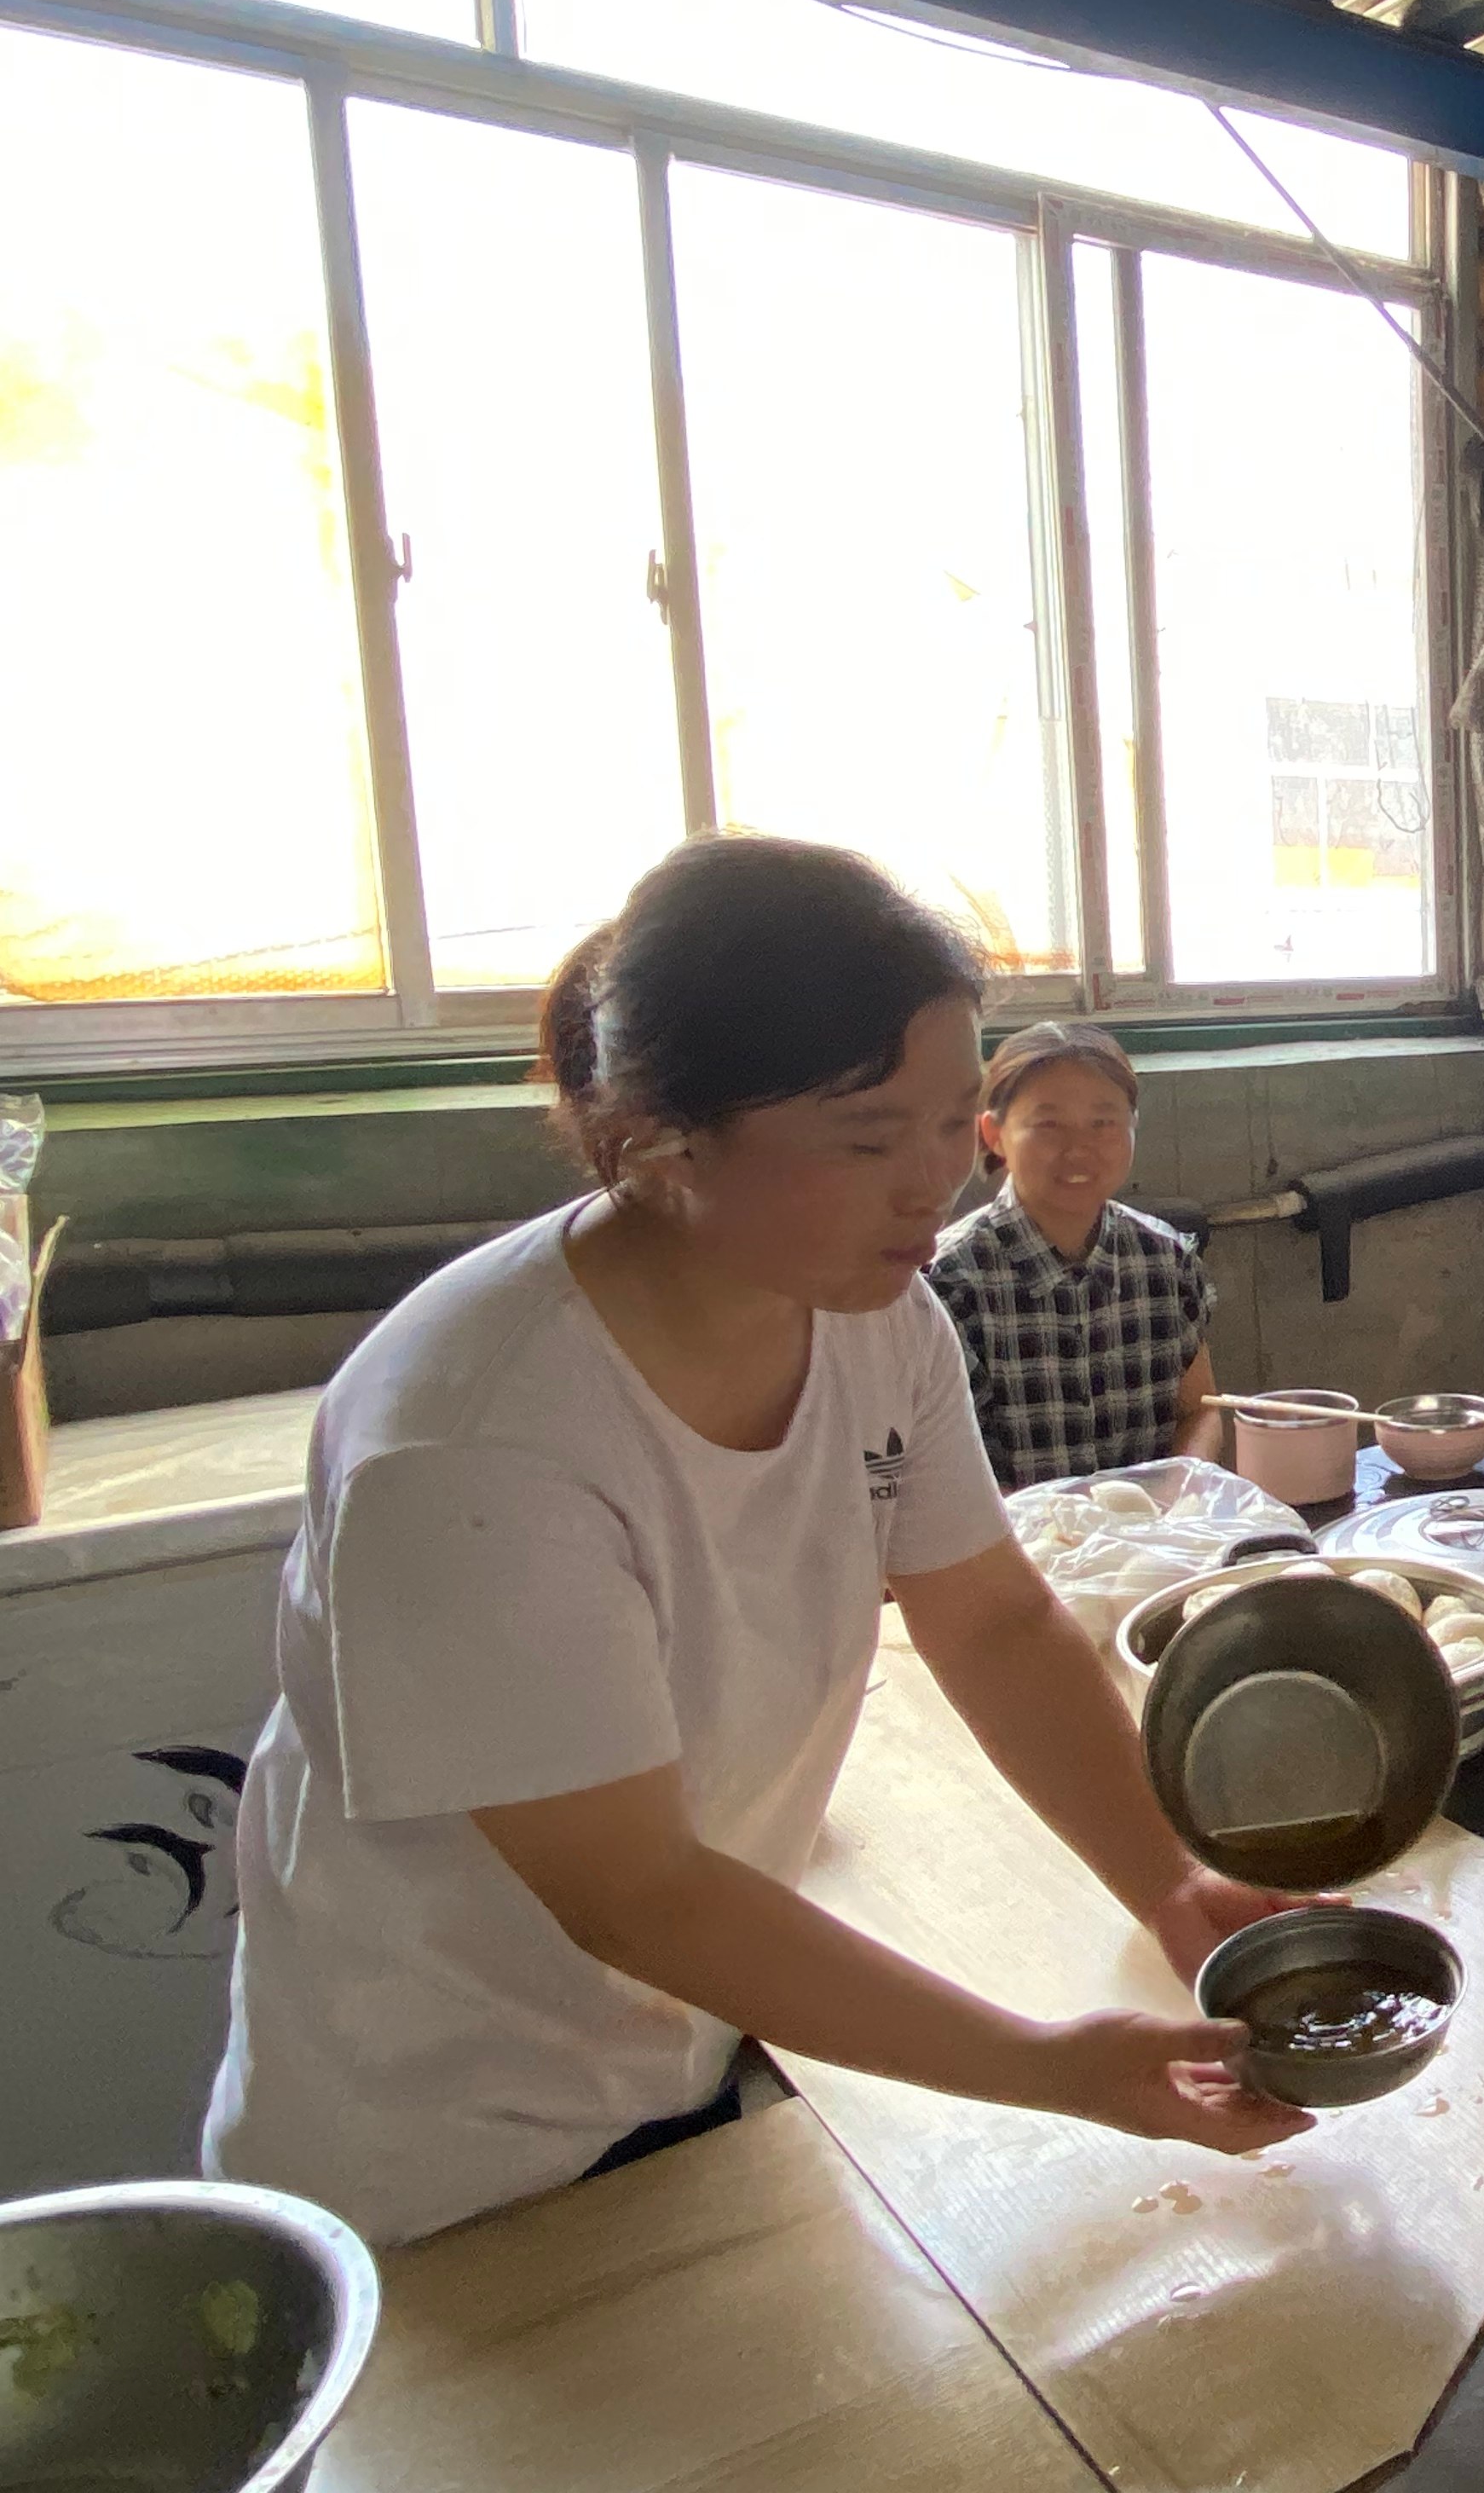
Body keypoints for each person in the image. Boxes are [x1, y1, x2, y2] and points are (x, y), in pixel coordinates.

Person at [204, 837, 1310, 2246]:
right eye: (865, 1140)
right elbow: (635, 1890)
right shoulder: (470, 1442)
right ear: (659, 1145)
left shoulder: (878, 1318)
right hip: (436, 2148)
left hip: (692, 2041)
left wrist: (1171, 1876)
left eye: (948, 1119)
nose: (932, 1184)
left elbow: (992, 1620)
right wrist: (1047, 2065)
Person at [925, 1021, 1224, 1493]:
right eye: (1048, 1124)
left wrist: (1174, 1499)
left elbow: (1199, 1409)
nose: (1078, 1147)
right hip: (1018, 1551)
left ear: (1132, 1127)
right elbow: (946, 1463)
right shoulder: (949, 1282)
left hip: (1155, 1545)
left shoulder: (1167, 1261)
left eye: (1103, 1122)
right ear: (994, 1134)